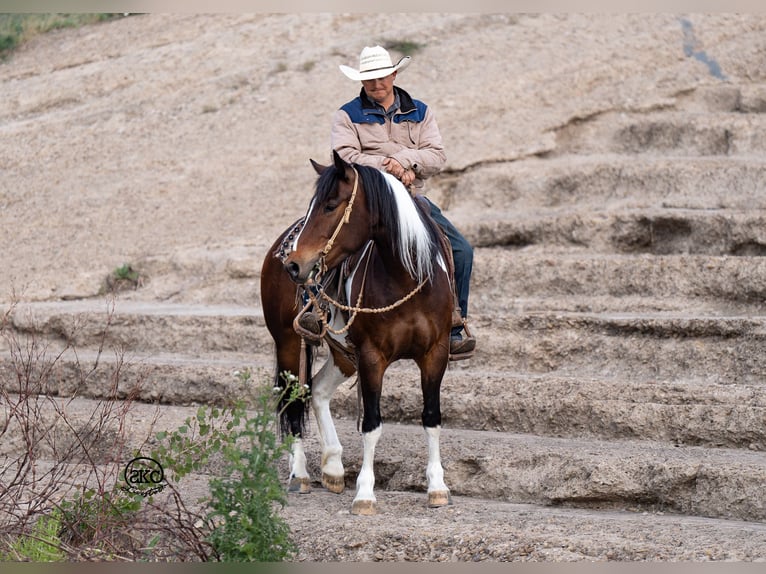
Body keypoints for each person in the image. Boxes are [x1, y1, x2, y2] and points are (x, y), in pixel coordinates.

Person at [301, 45, 475, 357]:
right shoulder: (347, 115)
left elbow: (437, 156)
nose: (376, 84)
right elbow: (345, 158)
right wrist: (389, 167)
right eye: (369, 79)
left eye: (381, 77)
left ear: (393, 74)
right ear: (362, 81)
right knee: (333, 241)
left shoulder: (420, 112)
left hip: (411, 198)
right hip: (366, 201)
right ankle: (318, 310)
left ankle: (454, 323)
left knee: (461, 249)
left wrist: (407, 162)